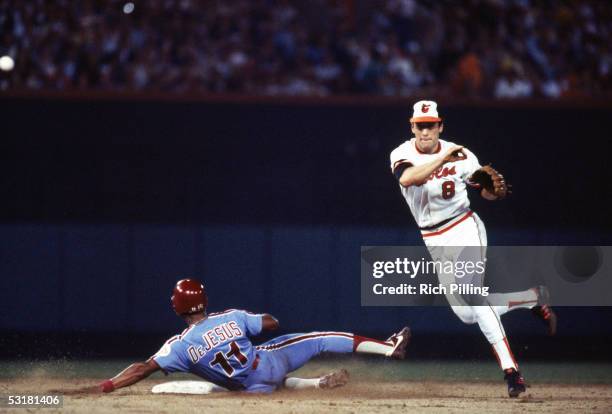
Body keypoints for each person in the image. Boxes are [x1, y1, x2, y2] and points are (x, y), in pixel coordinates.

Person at [389, 100, 557, 398]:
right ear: (412, 126)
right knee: (467, 314)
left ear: (441, 126)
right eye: (421, 125)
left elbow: (488, 193)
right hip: (433, 239)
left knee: (474, 297)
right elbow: (408, 178)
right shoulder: (401, 153)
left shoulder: (463, 154)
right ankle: (532, 298)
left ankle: (512, 373)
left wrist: (493, 192)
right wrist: (442, 160)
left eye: (432, 125)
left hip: (464, 227)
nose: (426, 131)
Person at [92, 279, 410, 394]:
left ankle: (313, 385)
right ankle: (388, 348)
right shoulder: (230, 316)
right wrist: (245, 321)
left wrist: (108, 385)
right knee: (320, 337)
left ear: (177, 308)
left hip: (251, 390)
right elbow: (272, 322)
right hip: (269, 363)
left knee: (255, 383)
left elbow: (141, 369)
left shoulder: (178, 347)